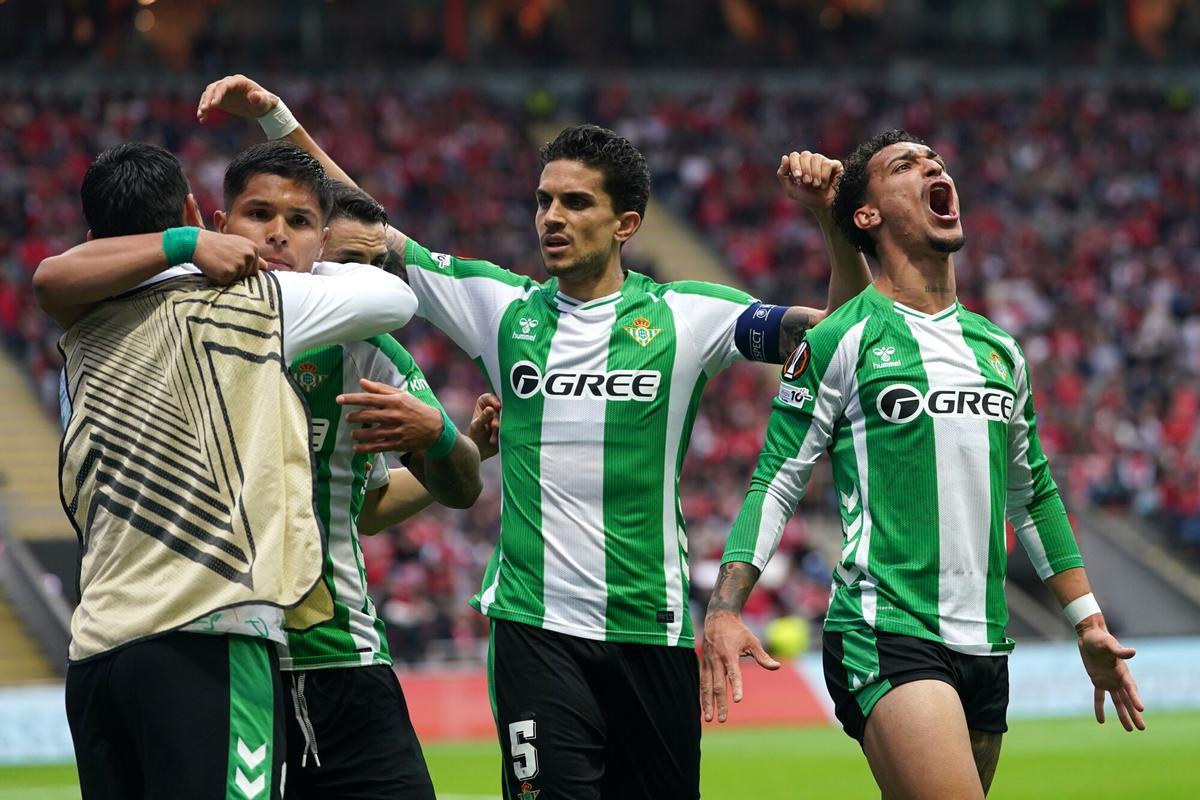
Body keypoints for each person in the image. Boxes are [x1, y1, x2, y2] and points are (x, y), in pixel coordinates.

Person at [198, 73, 872, 800]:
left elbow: (842, 336)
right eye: (544, 200)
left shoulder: (689, 314)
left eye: (576, 202)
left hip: (657, 632)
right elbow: (360, 222)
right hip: (535, 631)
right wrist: (276, 118)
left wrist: (834, 223)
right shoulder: (503, 308)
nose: (551, 216)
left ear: (627, 223)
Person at [701, 129, 1146, 799]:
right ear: (868, 216)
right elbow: (778, 477)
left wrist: (1088, 623)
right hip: (886, 629)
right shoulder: (840, 338)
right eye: (905, 166)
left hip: (986, 645)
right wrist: (725, 607)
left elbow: (1034, 496)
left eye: (935, 161)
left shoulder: (1000, 349)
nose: (933, 167)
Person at [43, 140, 493, 800]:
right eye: (259, 216)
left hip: (335, 658)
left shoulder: (360, 350)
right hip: (223, 648)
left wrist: (452, 439)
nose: (278, 234)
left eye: (301, 223)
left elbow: (385, 501)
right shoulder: (253, 307)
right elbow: (389, 293)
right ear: (214, 223)